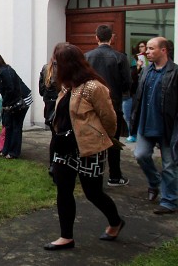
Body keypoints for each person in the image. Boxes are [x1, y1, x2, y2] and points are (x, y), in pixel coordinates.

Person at [44, 43, 124, 251]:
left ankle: (115, 221)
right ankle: (66, 237)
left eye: (57, 62)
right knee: (63, 190)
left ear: (68, 64)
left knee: (93, 193)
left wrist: (102, 138)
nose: (54, 65)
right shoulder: (66, 86)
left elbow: (109, 118)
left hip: (89, 149)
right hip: (65, 148)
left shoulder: (93, 87)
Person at [130, 37, 178, 215]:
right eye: (147, 49)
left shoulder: (175, 72)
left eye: (151, 49)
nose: (146, 52)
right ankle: (154, 182)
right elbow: (137, 94)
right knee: (140, 155)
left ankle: (169, 201)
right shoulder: (146, 71)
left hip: (167, 126)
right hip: (146, 122)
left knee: (169, 165)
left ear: (163, 50)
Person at [84, 25, 131, 188]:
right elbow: (127, 83)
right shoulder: (120, 57)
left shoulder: (87, 57)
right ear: (111, 37)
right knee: (113, 142)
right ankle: (115, 176)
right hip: (113, 104)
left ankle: (92, 174)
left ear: (96, 37)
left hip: (92, 105)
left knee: (93, 140)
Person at [0, 52, 32, 159]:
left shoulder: (5, 71)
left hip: (22, 100)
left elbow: (11, 89)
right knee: (8, 125)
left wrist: (5, 104)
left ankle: (13, 152)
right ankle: (5, 150)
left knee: (16, 126)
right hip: (12, 101)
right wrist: (6, 104)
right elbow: (6, 91)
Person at [39, 46, 61, 175]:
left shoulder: (46, 68)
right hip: (58, 105)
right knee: (61, 136)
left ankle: (52, 164)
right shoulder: (64, 68)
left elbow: (41, 89)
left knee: (54, 136)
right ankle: (57, 165)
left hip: (49, 105)